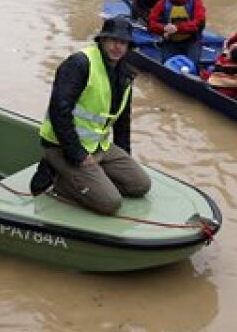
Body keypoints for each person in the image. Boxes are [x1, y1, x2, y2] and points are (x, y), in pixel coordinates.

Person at [30, 17, 152, 215]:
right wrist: (78, 155)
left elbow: (122, 122)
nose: (117, 47)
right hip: (63, 147)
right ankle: (57, 178)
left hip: (98, 147)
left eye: (123, 42)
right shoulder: (79, 64)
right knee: (110, 203)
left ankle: (93, 178)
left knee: (140, 185)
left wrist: (124, 158)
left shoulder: (125, 74)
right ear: (102, 40)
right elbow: (59, 111)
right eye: (113, 40)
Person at [146, 0, 207, 65]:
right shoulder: (163, 2)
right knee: (166, 64)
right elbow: (151, 23)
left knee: (192, 65)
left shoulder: (195, 1)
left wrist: (177, 28)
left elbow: (199, 22)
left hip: (192, 41)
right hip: (170, 41)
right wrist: (164, 28)